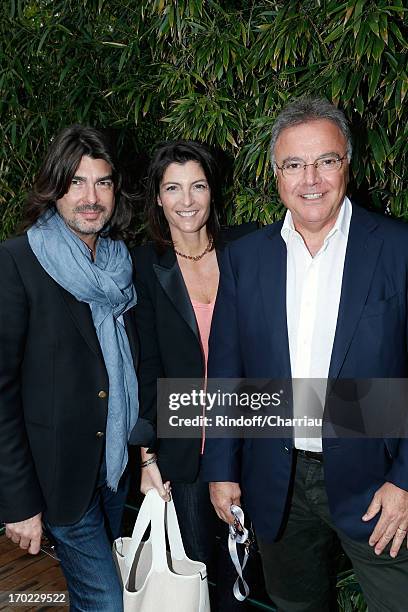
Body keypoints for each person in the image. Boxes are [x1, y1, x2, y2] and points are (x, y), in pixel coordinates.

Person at [201, 98, 408, 611]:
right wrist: (222, 468)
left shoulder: (398, 248)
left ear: (347, 165)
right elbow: (228, 373)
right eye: (294, 164)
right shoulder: (246, 258)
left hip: (377, 481)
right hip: (276, 482)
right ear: (276, 174)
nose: (310, 178)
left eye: (326, 161)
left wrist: (405, 480)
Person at [0, 125, 139, 612]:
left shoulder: (121, 265)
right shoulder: (18, 262)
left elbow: (128, 369)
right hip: (55, 473)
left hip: (112, 468)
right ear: (54, 188)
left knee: (90, 596)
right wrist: (17, 503)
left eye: (102, 183)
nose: (91, 197)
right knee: (105, 599)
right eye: (76, 182)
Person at [131, 140, 255, 611]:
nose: (186, 200)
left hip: (249, 438)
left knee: (246, 578)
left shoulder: (247, 249)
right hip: (184, 451)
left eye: (197, 186)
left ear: (212, 191)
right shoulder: (144, 265)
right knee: (198, 576)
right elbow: (145, 365)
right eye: (173, 188)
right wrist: (147, 459)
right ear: (158, 198)